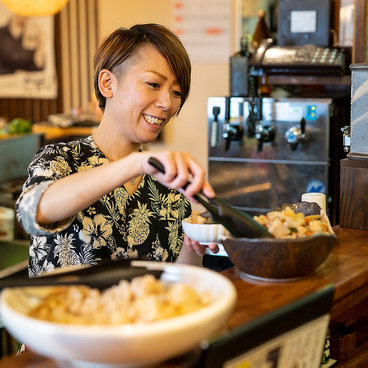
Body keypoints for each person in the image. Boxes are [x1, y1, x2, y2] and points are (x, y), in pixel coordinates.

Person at [16, 23, 219, 277]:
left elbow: (176, 284)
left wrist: (193, 248)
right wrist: (136, 163)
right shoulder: (60, 159)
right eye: (154, 84)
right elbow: (31, 211)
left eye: (176, 92)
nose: (167, 103)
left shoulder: (171, 186)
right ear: (107, 84)